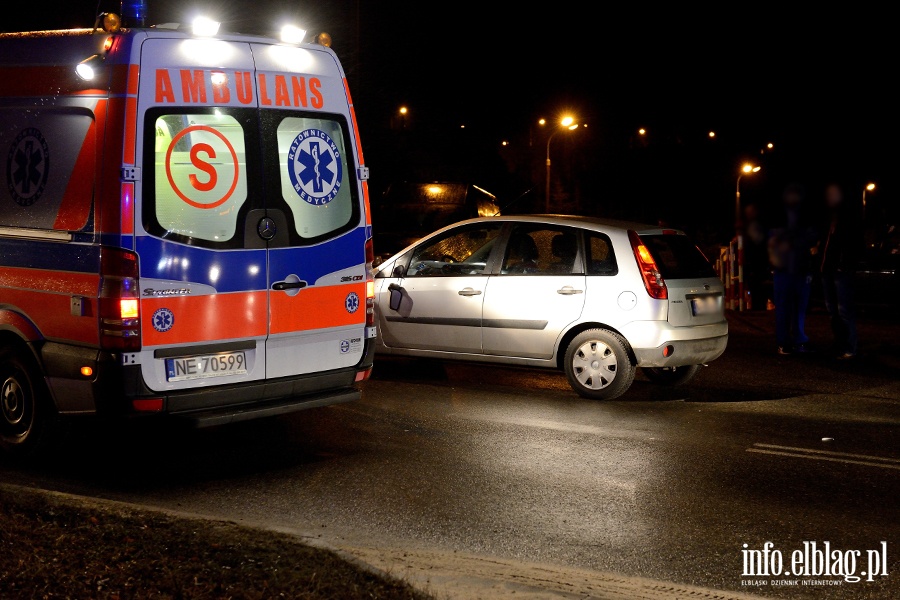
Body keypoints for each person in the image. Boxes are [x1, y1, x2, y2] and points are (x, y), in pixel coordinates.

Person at [768, 183, 819, 355]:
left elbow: (812, 237)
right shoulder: (778, 216)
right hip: (784, 269)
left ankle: (797, 341)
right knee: (784, 308)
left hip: (799, 269)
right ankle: (785, 342)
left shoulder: (805, 218)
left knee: (798, 308)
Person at [819, 182, 863, 359]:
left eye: (834, 193)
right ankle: (839, 344)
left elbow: (855, 243)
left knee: (844, 309)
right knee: (833, 310)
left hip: (840, 269)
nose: (831, 196)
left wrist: (845, 263)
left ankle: (850, 347)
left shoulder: (848, 216)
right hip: (828, 269)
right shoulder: (828, 216)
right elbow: (824, 244)